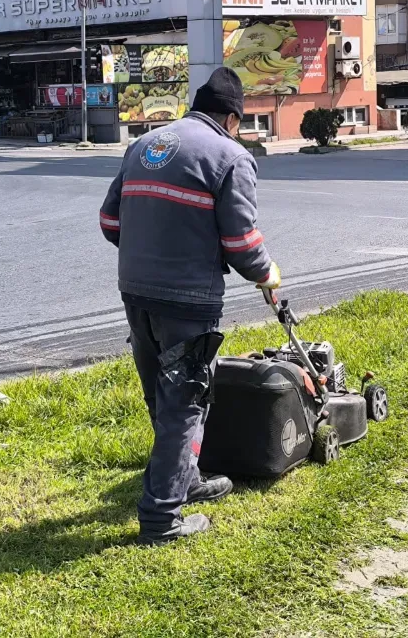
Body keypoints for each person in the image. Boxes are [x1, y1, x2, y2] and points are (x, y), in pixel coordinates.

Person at [99, 67, 281, 545]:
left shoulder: (145, 145)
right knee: (185, 403)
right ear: (234, 118)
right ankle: (162, 518)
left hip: (135, 288)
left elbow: (109, 221)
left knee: (160, 392)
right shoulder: (231, 156)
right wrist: (266, 273)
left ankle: (187, 478)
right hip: (187, 298)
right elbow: (241, 242)